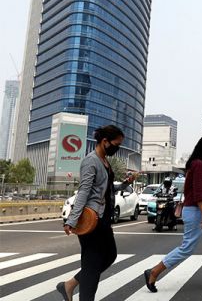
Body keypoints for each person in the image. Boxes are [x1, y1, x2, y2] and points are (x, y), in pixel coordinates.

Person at [144, 136, 202, 292]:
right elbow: (199, 192)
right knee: (187, 247)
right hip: (196, 210)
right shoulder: (198, 165)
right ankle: (154, 271)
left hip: (201, 209)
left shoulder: (199, 164)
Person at [57, 125, 136, 301]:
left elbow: (106, 188)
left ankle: (69, 285)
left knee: (110, 255)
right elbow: (84, 191)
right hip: (92, 220)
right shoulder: (90, 161)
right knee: (91, 267)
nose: (118, 148)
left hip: (104, 220)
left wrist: (124, 184)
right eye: (116, 144)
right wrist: (72, 219)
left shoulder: (105, 162)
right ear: (105, 141)